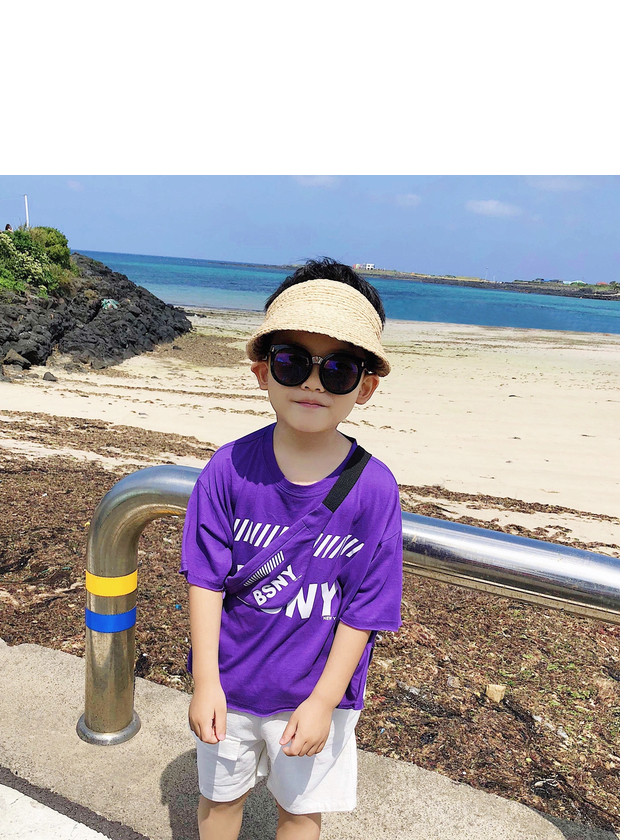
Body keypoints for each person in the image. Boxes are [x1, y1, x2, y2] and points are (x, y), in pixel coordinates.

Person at [180, 257, 403, 840]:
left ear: (365, 386)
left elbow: (365, 608)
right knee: (219, 800)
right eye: (292, 361)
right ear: (262, 372)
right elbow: (205, 578)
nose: (312, 383)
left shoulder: (374, 489)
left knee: (300, 812)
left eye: (339, 369)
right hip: (230, 681)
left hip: (313, 692)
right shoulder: (228, 468)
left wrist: (325, 701)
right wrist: (206, 681)